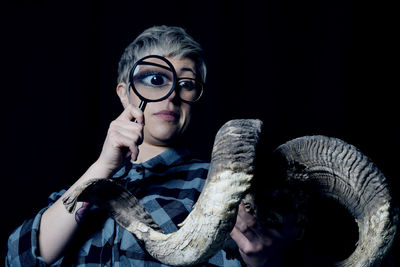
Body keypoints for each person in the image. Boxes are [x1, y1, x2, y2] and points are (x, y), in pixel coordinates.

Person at [6, 25, 297, 266]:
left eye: (186, 84)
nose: (172, 96)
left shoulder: (221, 184)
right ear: (124, 93)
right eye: (156, 79)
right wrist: (102, 168)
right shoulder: (81, 189)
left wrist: (264, 260)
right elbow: (19, 260)